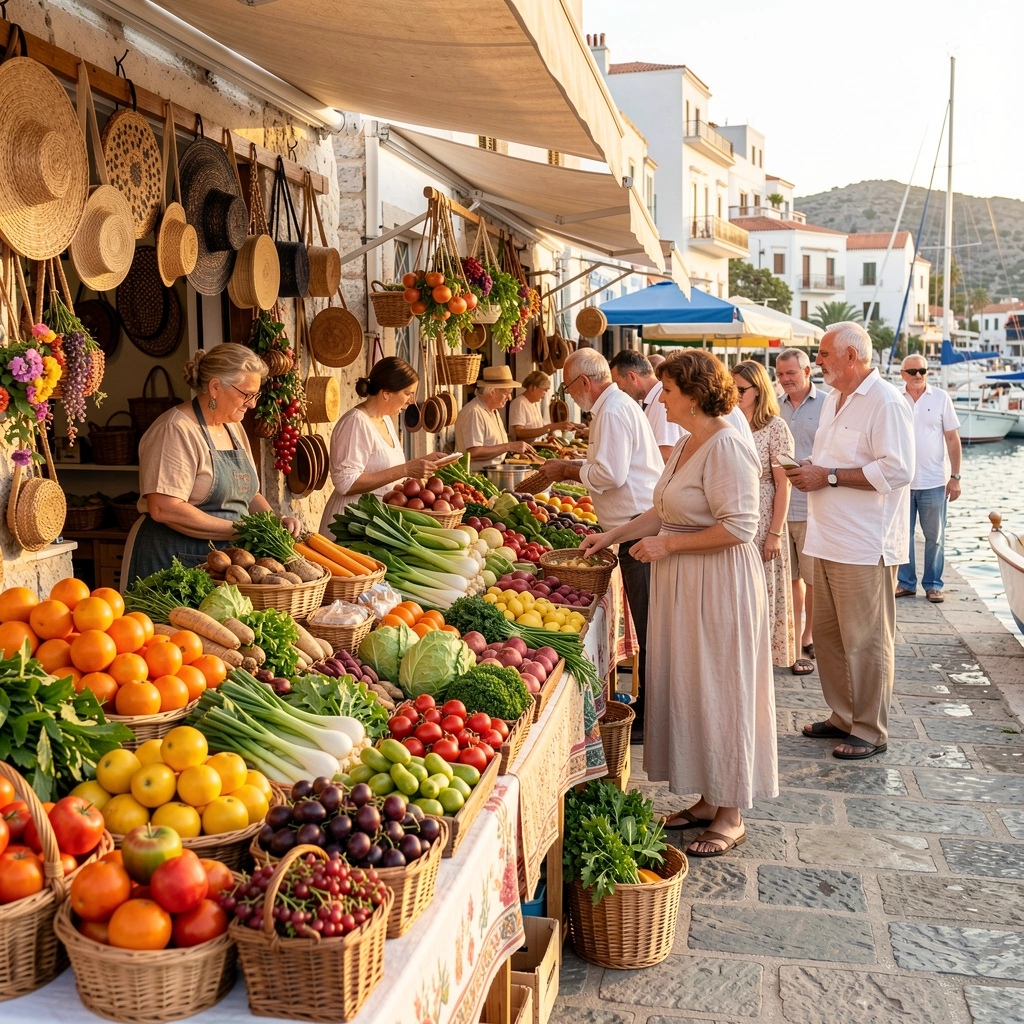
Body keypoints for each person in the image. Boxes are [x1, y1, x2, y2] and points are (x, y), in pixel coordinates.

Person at [580, 351, 776, 856]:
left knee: (722, 687)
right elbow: (661, 509)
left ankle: (731, 813)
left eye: (667, 390)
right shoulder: (690, 442)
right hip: (687, 584)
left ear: (693, 395)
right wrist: (613, 537)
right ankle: (709, 799)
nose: (659, 398)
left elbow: (740, 527)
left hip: (718, 586)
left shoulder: (727, 446)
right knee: (695, 686)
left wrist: (668, 546)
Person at [785, 322, 914, 760]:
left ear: (851, 356)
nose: (818, 361)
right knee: (829, 637)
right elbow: (832, 462)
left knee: (867, 639)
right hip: (827, 537)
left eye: (823, 354)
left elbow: (897, 471)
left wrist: (829, 476)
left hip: (865, 543)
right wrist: (809, 468)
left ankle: (870, 729)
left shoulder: (886, 402)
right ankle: (842, 715)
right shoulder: (835, 401)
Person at [539, 348, 663, 739]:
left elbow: (609, 473)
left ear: (584, 383)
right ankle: (652, 709)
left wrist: (566, 469)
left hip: (638, 529)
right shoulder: (615, 406)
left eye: (569, 387)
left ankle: (654, 716)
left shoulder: (611, 410)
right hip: (633, 525)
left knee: (650, 625)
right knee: (649, 623)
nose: (570, 395)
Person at [124, 345, 302, 585]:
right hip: (175, 561)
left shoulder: (233, 426)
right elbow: (165, 508)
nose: (252, 404)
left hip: (225, 565)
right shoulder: (176, 430)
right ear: (215, 387)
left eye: (255, 395)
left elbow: (248, 494)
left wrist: (272, 524)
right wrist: (242, 530)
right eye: (246, 394)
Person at [318, 357, 448, 535]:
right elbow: (345, 483)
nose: (411, 400)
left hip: (373, 523)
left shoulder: (385, 419)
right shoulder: (356, 423)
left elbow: (384, 467)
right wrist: (406, 470)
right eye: (407, 393)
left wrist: (423, 461)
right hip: (349, 524)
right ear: (386, 393)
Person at [732, 360, 802, 674]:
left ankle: (763, 655)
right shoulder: (727, 422)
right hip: (731, 514)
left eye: (741, 389)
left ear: (759, 390)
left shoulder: (777, 428)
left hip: (763, 517)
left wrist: (775, 532)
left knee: (764, 588)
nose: (735, 394)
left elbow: (785, 483)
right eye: (731, 388)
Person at [896, 354, 962, 603]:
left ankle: (933, 584)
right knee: (903, 534)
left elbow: (952, 439)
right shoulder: (895, 398)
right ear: (903, 374)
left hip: (934, 481)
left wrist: (955, 477)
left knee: (935, 536)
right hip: (901, 481)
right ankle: (906, 582)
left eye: (923, 370)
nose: (918, 376)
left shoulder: (941, 398)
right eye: (913, 371)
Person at [776, 347, 824, 664]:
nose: (784, 380)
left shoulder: (829, 405)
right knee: (789, 578)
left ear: (807, 371)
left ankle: (809, 636)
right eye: (780, 375)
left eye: (790, 373)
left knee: (812, 579)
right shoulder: (771, 406)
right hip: (779, 507)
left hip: (812, 506)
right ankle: (793, 639)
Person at [454, 365, 536, 471]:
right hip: (477, 478)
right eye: (507, 392)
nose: (509, 397)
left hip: (492, 474)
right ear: (492, 392)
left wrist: (512, 450)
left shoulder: (493, 411)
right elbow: (473, 452)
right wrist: (509, 446)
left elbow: (495, 447)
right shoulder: (474, 412)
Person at [609, 349, 682, 462]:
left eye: (618, 383)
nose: (618, 389)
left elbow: (667, 453)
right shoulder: (651, 400)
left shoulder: (661, 403)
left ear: (631, 376)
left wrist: (626, 458)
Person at [507, 370, 577, 442]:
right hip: (524, 449)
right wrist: (551, 427)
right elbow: (519, 433)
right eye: (544, 390)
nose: (545, 393)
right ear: (533, 388)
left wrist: (554, 430)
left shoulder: (535, 403)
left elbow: (539, 428)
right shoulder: (519, 403)